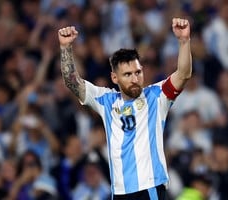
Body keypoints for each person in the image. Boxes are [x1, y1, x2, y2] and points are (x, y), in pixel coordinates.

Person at [58, 17, 192, 200]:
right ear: (114, 78)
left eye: (138, 72)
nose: (135, 79)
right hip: (120, 193)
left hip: (150, 188)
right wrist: (66, 48)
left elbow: (183, 74)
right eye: (127, 74)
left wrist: (184, 41)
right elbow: (73, 82)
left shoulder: (157, 96)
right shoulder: (105, 101)